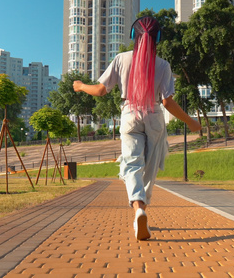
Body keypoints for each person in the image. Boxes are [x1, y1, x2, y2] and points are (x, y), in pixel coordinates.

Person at [73, 16, 201, 241]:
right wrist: (190, 122)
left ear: (133, 36)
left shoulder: (122, 59)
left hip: (129, 113)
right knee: (149, 169)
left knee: (132, 165)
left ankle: (137, 209)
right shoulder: (163, 65)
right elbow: (167, 102)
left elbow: (102, 90)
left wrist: (82, 86)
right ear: (157, 38)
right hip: (154, 116)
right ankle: (143, 210)